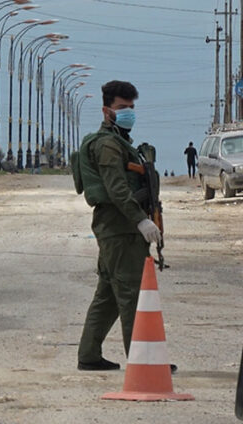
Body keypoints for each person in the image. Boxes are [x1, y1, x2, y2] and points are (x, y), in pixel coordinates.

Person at [75, 80, 162, 371]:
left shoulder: (120, 142)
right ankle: (142, 361)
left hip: (117, 228)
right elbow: (116, 189)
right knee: (131, 294)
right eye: (122, 108)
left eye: (131, 108)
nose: (128, 113)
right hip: (120, 228)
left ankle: (88, 354)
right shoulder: (108, 145)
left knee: (109, 295)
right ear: (106, 111)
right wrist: (141, 220)